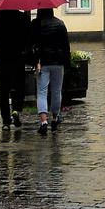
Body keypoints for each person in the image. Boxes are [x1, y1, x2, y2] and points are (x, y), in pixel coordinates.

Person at [0, 7, 31, 130]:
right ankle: (16, 110)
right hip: (18, 57)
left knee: (4, 88)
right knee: (19, 85)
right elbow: (28, 37)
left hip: (1, 57)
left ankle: (5, 121)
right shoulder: (22, 17)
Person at [30, 7, 70, 135]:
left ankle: (43, 121)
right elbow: (66, 46)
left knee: (42, 92)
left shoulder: (36, 24)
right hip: (58, 61)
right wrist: (67, 64)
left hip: (43, 62)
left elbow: (31, 43)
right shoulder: (60, 24)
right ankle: (55, 117)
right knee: (56, 91)